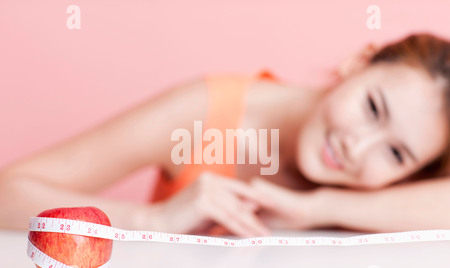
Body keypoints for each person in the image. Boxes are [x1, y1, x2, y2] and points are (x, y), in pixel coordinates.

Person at [1, 33, 450, 236]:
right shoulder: (204, 110)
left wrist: (316, 207)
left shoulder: (396, 191)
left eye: (396, 153)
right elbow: (7, 193)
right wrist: (153, 222)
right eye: (372, 107)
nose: (359, 146)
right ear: (357, 63)